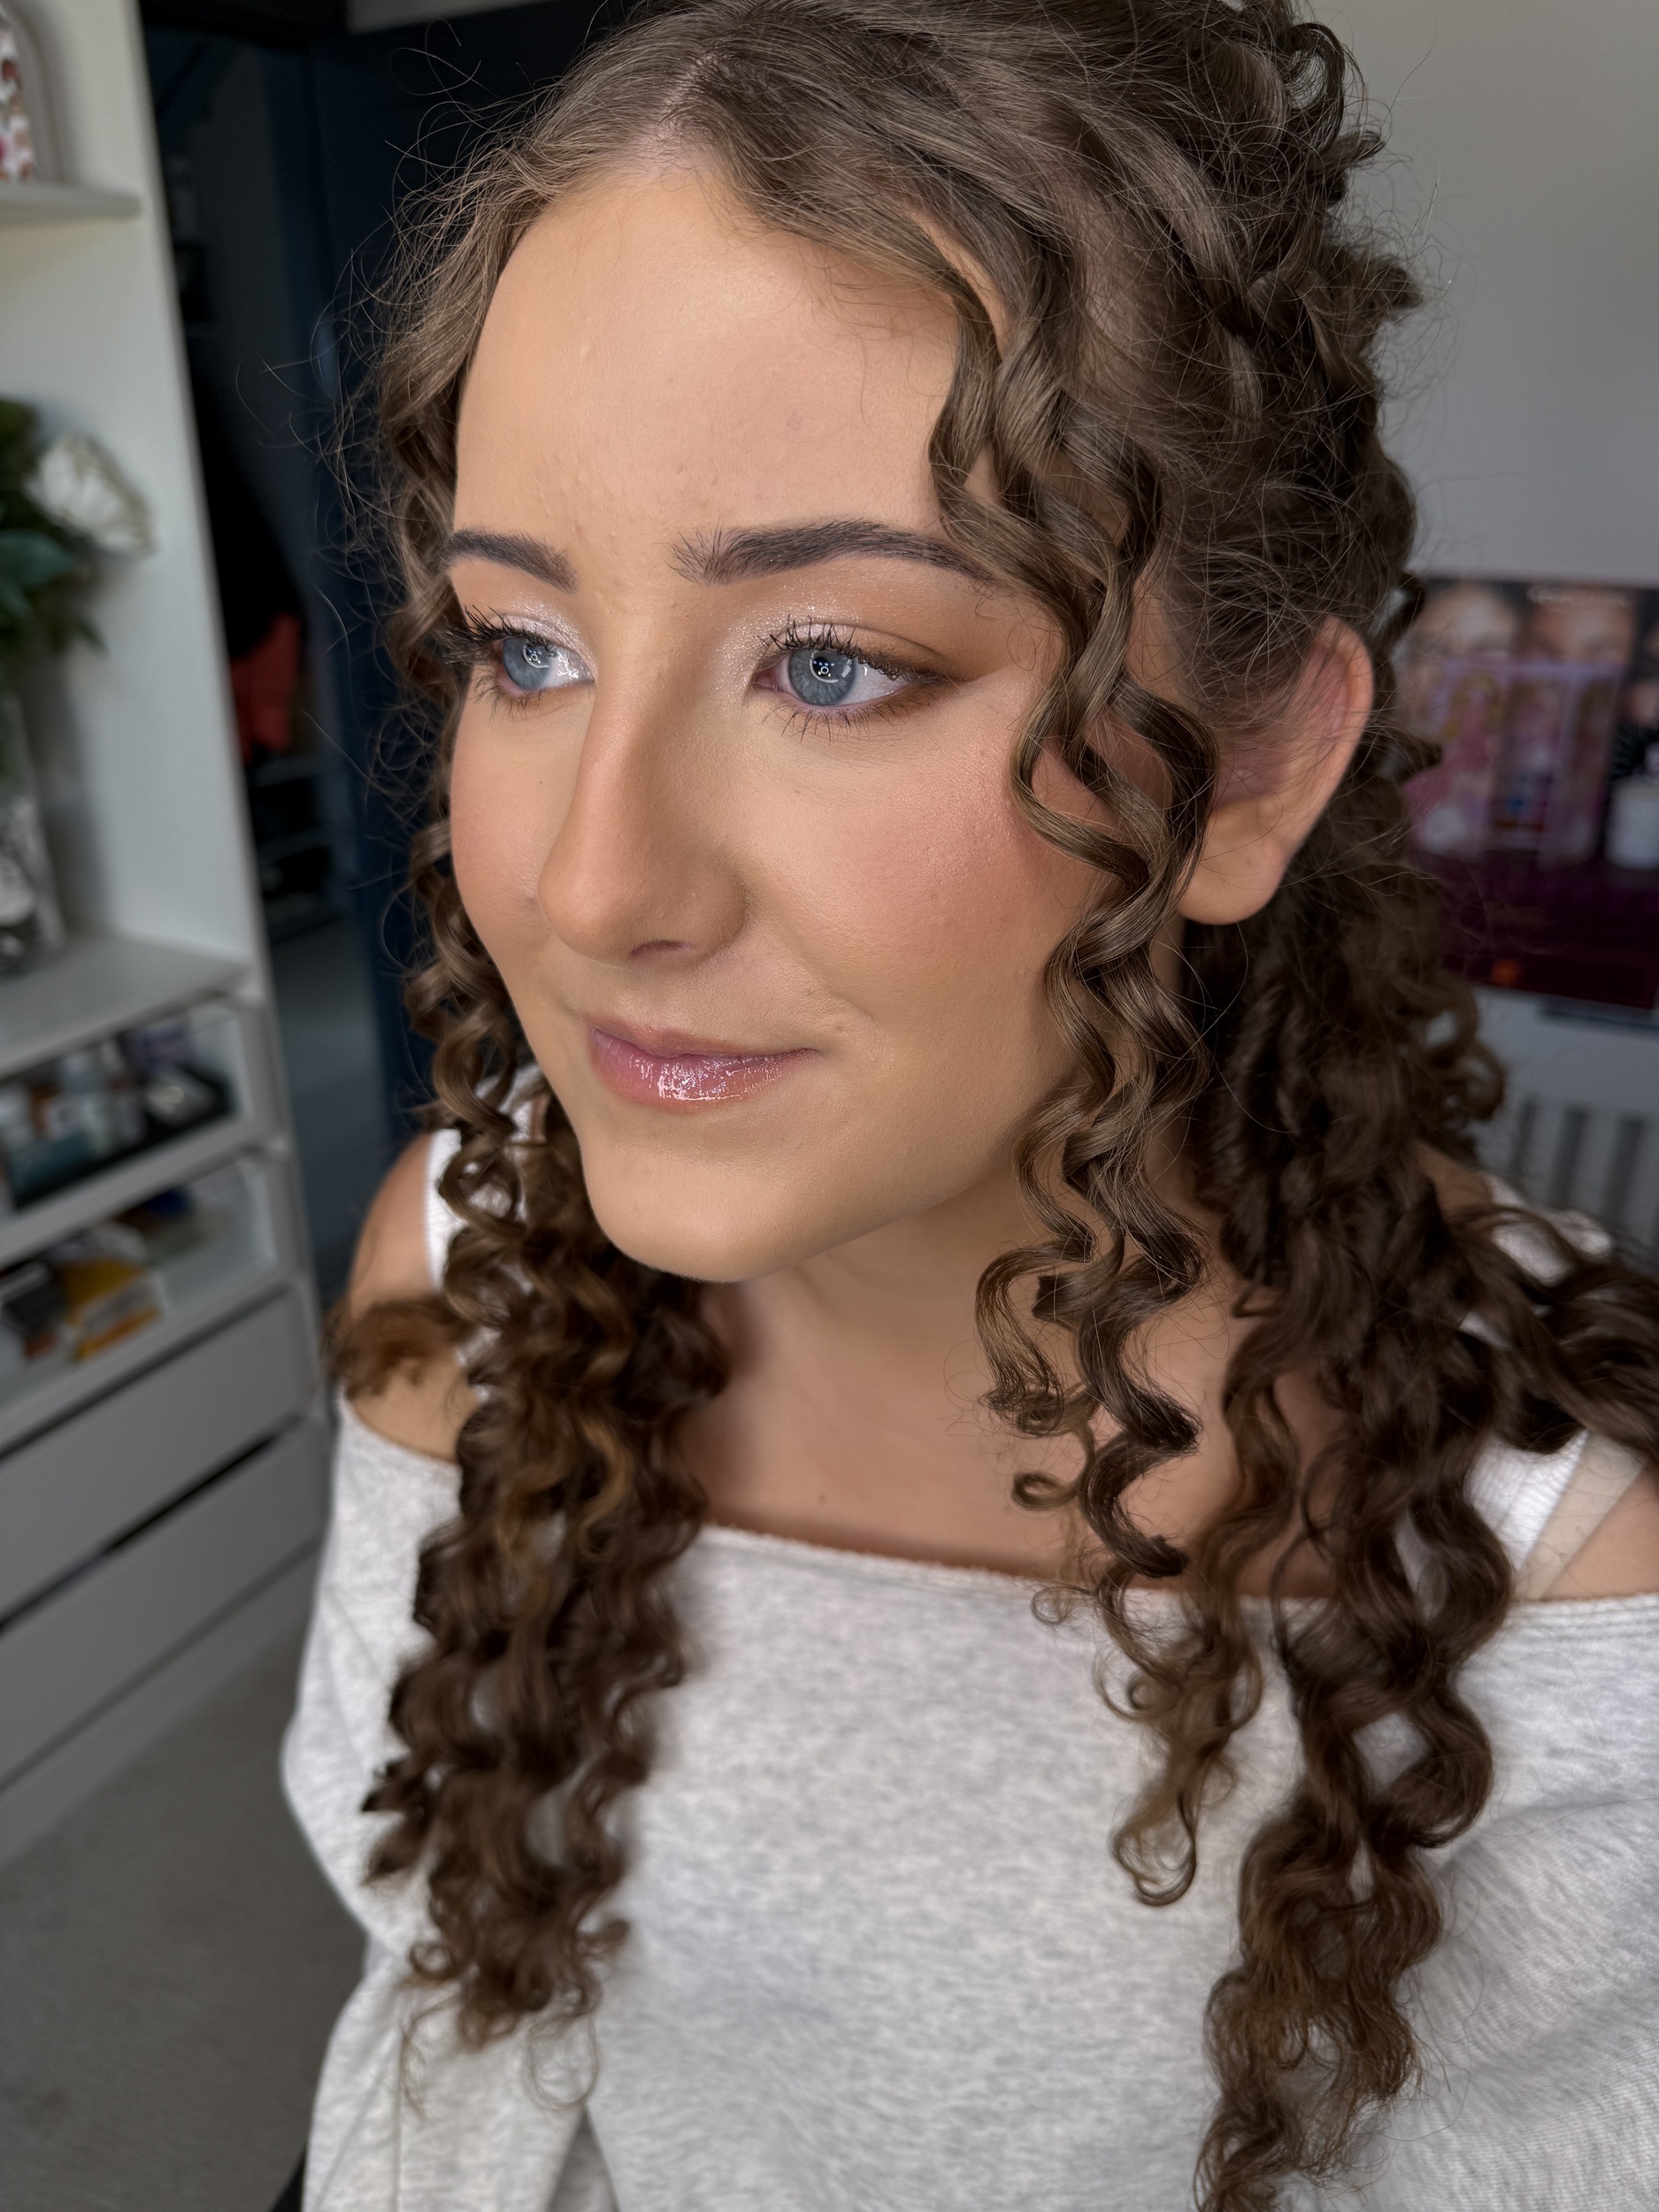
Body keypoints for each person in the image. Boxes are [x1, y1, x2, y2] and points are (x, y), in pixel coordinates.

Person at [282, 4, 1659, 2207]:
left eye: (833, 662)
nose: (590, 884)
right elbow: (454, 2024)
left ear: (1255, 769)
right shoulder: (468, 1267)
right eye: (523, 648)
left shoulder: (1566, 1581)